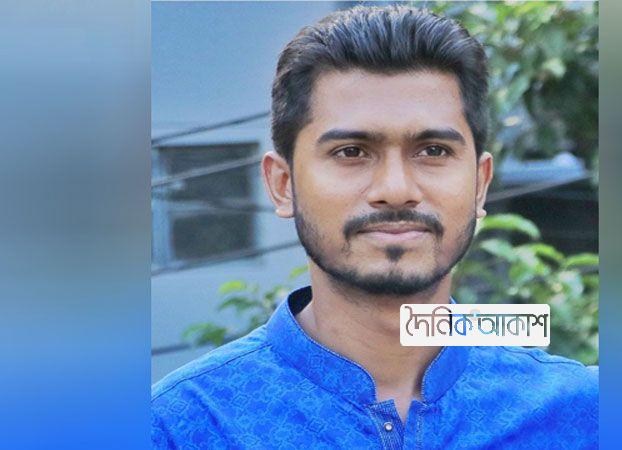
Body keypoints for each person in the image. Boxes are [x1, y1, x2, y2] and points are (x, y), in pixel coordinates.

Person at [152, 5, 598, 449]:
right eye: (351, 152)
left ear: (480, 184)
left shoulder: (585, 416)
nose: (396, 189)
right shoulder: (181, 426)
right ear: (283, 185)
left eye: (434, 151)